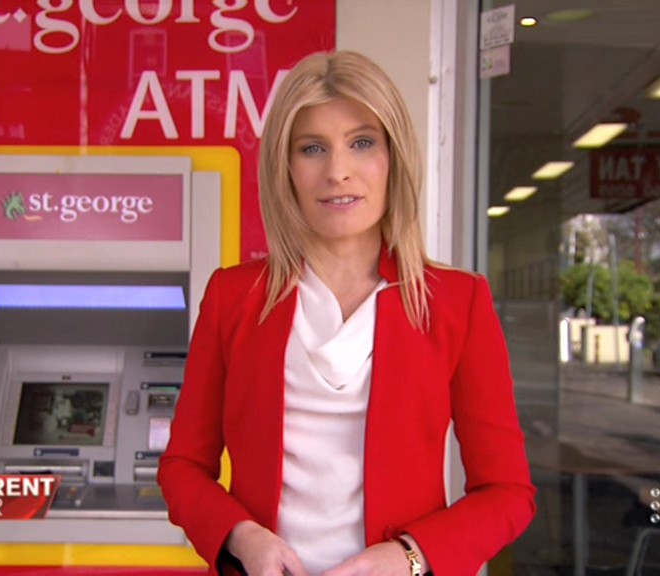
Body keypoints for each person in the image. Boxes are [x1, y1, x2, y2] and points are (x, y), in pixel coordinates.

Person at [159, 50, 536, 576]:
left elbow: (507, 492)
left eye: (362, 143)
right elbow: (182, 466)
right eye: (312, 148)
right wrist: (242, 537)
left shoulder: (456, 302)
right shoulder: (234, 297)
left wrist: (409, 556)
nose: (337, 172)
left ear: (393, 157)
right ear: (286, 168)